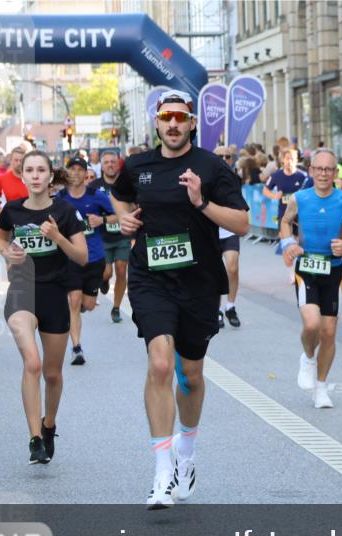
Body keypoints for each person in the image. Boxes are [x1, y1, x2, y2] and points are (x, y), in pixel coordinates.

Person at [110, 90, 250, 509]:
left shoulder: (212, 167)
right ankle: (161, 472)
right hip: (150, 276)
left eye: (180, 118)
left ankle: (186, 454)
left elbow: (242, 222)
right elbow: (118, 192)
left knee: (189, 374)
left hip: (199, 283)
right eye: (166, 117)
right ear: (157, 122)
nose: (173, 124)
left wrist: (201, 202)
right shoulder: (138, 166)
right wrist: (123, 216)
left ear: (191, 123)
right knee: (159, 364)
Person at [0, 150, 88, 464]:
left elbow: (81, 256)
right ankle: (35, 438)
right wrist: (8, 253)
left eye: (40, 170)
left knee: (52, 374)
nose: (35, 176)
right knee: (32, 363)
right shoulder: (12, 210)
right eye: (29, 170)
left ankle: (49, 425)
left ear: (50, 177)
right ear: (23, 176)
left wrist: (58, 237)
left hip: (54, 294)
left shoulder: (64, 212)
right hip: (21, 291)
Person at [279, 148, 342, 408]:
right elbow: (285, 222)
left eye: (329, 169)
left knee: (328, 332)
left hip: (333, 270)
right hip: (306, 267)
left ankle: (321, 387)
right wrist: (287, 244)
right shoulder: (299, 198)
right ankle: (307, 357)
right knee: (312, 324)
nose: (324, 174)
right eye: (319, 169)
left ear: (335, 171)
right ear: (311, 170)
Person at [58, 157, 115, 364]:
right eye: (71, 169)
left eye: (80, 169)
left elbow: (117, 215)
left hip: (95, 257)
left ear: (85, 173)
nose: (76, 172)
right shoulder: (60, 198)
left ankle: (89, 296)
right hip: (71, 257)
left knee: (88, 304)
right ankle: (77, 348)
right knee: (73, 301)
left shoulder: (96, 196)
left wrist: (103, 220)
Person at [90, 150, 129, 323]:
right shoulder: (95, 186)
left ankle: (116, 308)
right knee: (106, 272)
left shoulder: (126, 184)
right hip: (102, 236)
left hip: (122, 234)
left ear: (118, 163)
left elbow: (135, 204)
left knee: (121, 269)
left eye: (113, 162)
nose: (110, 165)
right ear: (102, 165)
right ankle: (103, 280)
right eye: (106, 162)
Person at [263, 148, 309, 228]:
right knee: (285, 239)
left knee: (298, 239)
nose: (290, 161)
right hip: (284, 214)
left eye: (292, 159)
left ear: (296, 161)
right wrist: (275, 196)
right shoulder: (277, 175)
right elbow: (265, 190)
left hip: (299, 214)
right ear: (283, 160)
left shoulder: (302, 176)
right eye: (287, 158)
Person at [0, 146, 29, 220]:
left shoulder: (31, 179)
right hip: (9, 226)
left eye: (21, 160)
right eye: (16, 160)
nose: (19, 163)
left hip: (28, 223)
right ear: (11, 160)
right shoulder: (2, 179)